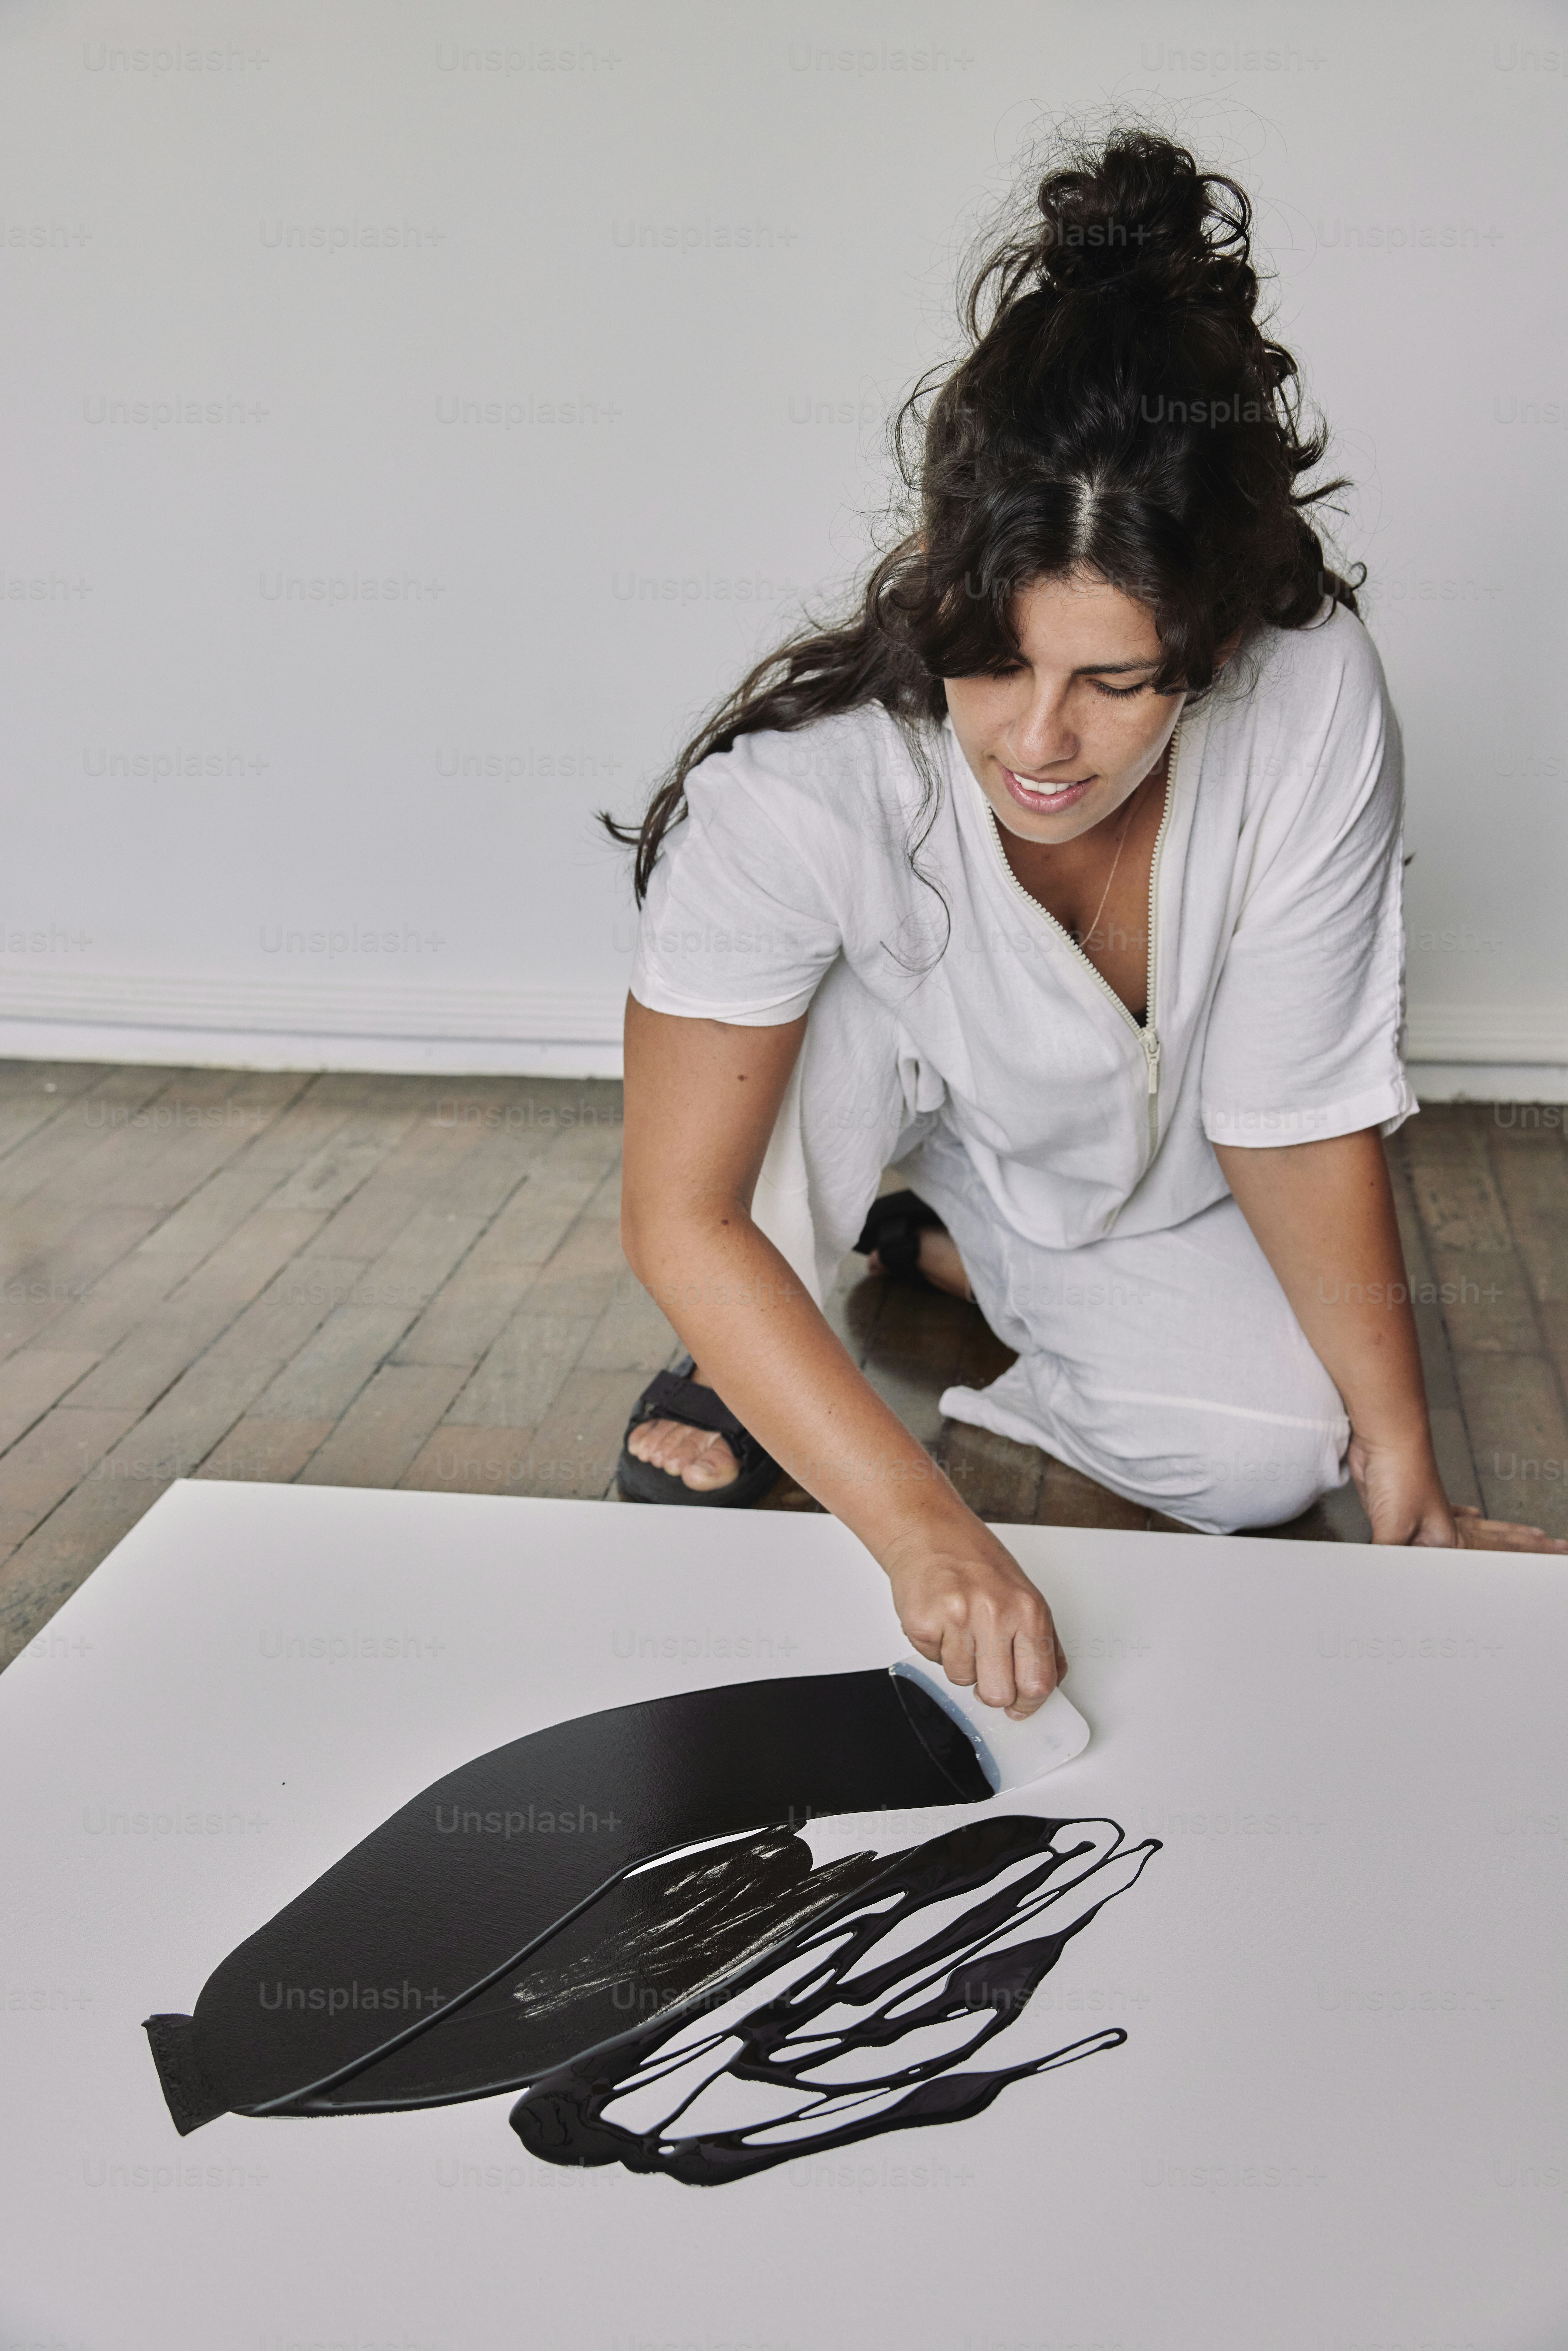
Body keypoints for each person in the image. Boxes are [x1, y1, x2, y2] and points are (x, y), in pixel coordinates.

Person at [606, 128, 1567, 1723]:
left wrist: (1409, 1482)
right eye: (995, 664)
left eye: (1114, 681)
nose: (1039, 743)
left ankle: (947, 1246)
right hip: (861, 1082)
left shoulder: (1311, 689)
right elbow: (678, 1210)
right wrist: (925, 1530)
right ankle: (765, 1358)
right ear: (942, 589)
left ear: (1211, 636)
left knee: (1274, 1456)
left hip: (1083, 1142)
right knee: (806, 1073)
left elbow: (1291, 1105)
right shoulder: (796, 800)